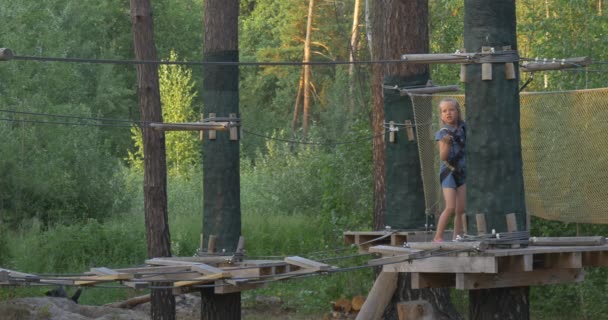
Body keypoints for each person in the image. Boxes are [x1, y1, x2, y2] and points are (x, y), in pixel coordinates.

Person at [433, 98, 466, 242]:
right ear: (441, 115)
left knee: (461, 209)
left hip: (464, 172)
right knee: (451, 206)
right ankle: (438, 237)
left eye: (451, 110)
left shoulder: (465, 128)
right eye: (444, 111)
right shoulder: (443, 133)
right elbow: (443, 157)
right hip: (448, 173)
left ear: (458, 112)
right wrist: (446, 143)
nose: (448, 113)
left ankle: (457, 237)